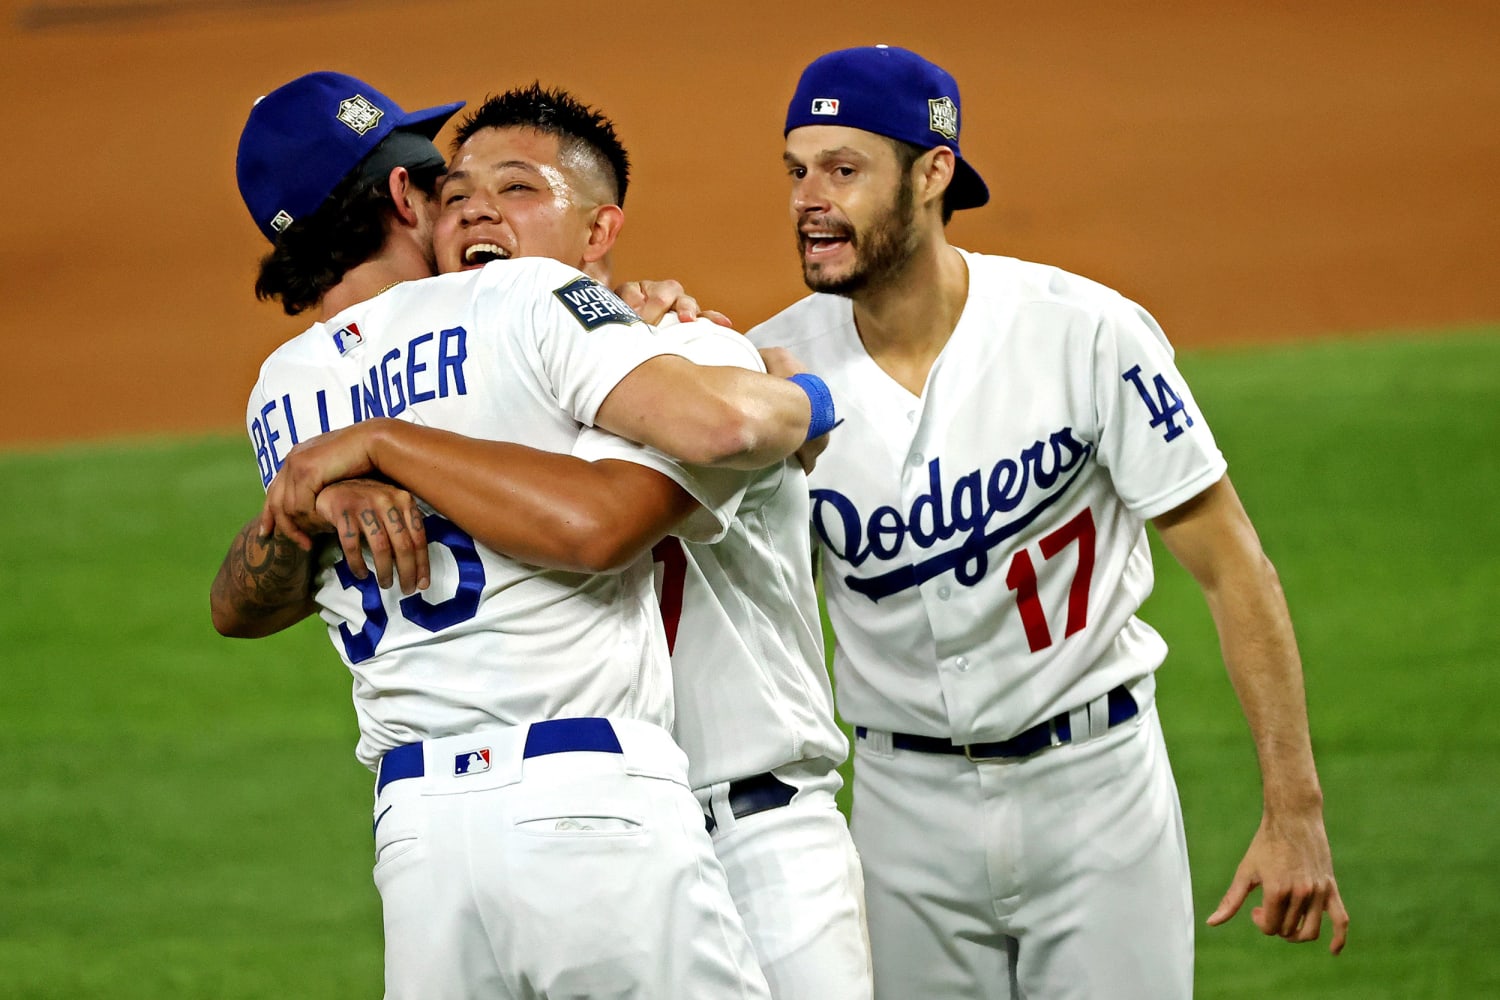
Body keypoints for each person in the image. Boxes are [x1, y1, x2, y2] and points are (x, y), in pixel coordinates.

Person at [212, 70, 838, 998]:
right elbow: (693, 448)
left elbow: (237, 605)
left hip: (416, 841)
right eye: (446, 185)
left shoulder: (283, 394)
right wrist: (811, 395)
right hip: (586, 805)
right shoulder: (517, 302)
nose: (467, 211)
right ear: (401, 197)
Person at [747, 44, 1350, 999]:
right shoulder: (765, 375)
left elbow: (1236, 570)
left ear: (933, 173)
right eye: (795, 170)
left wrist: (1295, 810)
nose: (807, 198)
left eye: (843, 169)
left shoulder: (1085, 332)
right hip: (903, 816)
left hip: (1098, 795)